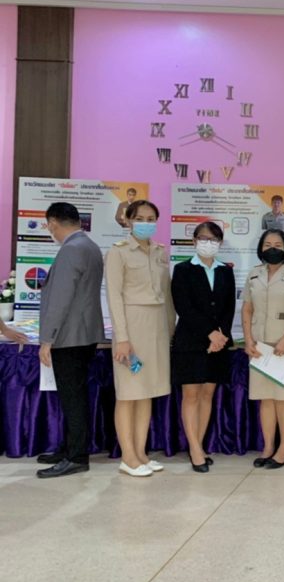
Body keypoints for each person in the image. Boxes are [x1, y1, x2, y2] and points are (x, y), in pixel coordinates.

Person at [105, 199, 175, 478]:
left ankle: (141, 453)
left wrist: (170, 329)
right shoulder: (118, 252)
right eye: (140, 218)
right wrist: (122, 337)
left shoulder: (160, 251)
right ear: (129, 220)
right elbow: (114, 296)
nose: (146, 223)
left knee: (147, 392)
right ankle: (128, 457)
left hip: (156, 327)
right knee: (128, 393)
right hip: (132, 327)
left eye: (151, 219)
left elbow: (166, 295)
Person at [35, 202, 105, 479]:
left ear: (53, 222)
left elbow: (60, 299)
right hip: (84, 334)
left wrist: (47, 339)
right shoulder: (90, 246)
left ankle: (76, 456)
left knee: (72, 397)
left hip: (69, 335)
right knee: (75, 395)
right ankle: (69, 448)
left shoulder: (71, 249)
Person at [171, 221, 236, 473]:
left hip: (218, 344)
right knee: (191, 395)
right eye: (204, 238)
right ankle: (195, 449)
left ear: (220, 243)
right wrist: (209, 333)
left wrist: (221, 336)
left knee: (208, 394)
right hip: (190, 342)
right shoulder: (183, 270)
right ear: (194, 241)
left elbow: (229, 308)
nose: (209, 243)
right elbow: (183, 307)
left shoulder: (225, 271)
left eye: (214, 239)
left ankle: (198, 444)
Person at [242, 230, 284, 470]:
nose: (273, 248)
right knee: (266, 399)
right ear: (261, 248)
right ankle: (268, 446)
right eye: (268, 244)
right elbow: (247, 308)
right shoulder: (254, 273)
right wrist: (248, 339)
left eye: (278, 244)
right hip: (259, 345)